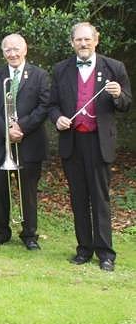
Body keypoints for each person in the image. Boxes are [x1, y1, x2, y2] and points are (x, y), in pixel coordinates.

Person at [49, 22, 131, 272]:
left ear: (96, 40)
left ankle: (105, 253)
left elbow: (127, 103)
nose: (83, 44)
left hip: (99, 142)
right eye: (78, 40)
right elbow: (52, 104)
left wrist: (118, 95)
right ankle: (84, 249)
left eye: (87, 39)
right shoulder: (61, 69)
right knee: (78, 198)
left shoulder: (114, 67)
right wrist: (58, 118)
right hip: (72, 142)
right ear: (72, 42)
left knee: (100, 199)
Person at [0, 34, 50, 251]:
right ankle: (1, 232)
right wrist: (6, 131)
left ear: (25, 49)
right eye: (7, 50)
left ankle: (29, 234)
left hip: (29, 142)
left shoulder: (40, 75)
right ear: (3, 53)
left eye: (16, 49)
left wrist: (21, 127)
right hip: (0, 142)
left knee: (28, 192)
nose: (12, 54)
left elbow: (44, 106)